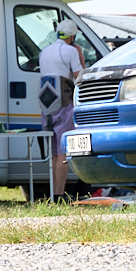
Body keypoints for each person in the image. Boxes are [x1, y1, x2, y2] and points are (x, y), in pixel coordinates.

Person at [39, 17, 87, 201]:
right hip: (64, 100)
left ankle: (53, 194)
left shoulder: (44, 51)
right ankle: (59, 194)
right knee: (62, 152)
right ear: (72, 37)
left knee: (53, 153)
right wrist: (81, 57)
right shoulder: (71, 51)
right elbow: (79, 77)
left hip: (46, 102)